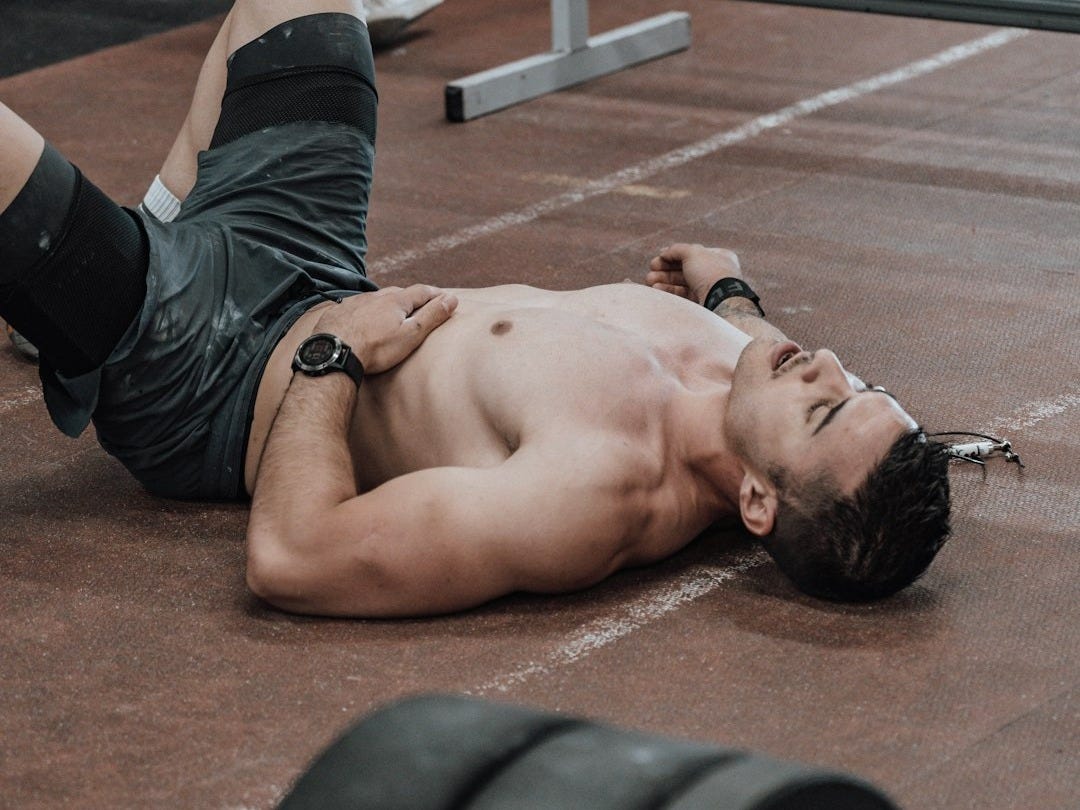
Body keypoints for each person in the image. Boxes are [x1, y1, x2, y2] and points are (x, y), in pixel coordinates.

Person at [0, 1, 951, 618]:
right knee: (292, 8)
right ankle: (133, 239)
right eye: (858, 379)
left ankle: (94, 299)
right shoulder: (747, 372)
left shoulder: (591, 495)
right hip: (311, 258)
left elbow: (291, 558)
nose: (822, 360)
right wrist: (730, 289)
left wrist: (329, 359)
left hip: (207, 376)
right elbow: (778, 362)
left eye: (825, 405)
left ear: (755, 500)